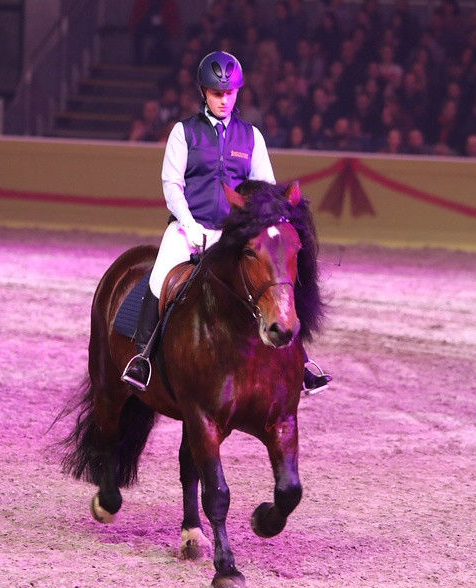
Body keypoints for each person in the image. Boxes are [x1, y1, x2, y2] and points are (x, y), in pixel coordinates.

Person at [122, 50, 332, 395]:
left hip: (234, 235)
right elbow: (172, 184)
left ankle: (302, 361)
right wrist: (188, 223)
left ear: (238, 93)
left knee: (273, 281)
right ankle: (143, 357)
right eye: (217, 93)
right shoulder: (182, 132)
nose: (224, 100)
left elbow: (265, 189)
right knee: (160, 277)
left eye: (229, 93)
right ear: (203, 92)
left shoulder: (252, 137)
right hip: (189, 226)